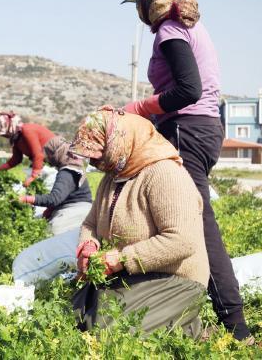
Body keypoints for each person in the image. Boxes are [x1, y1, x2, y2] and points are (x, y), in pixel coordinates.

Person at [120, 0, 252, 340]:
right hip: (204, 129)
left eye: (139, 3)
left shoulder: (170, 30)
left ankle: (235, 325)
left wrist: (141, 108)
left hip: (186, 129)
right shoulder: (191, 26)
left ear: (151, 0)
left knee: (197, 225)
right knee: (179, 216)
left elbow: (188, 91)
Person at [69, 107, 209, 338]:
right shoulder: (113, 177)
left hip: (175, 279)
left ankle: (189, 327)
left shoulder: (164, 173)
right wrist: (89, 246)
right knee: (75, 315)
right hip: (133, 274)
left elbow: (182, 240)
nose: (95, 161)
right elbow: (91, 223)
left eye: (99, 152)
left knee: (109, 333)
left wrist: (122, 258)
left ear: (118, 142)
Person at [17, 136, 92, 235]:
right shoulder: (74, 167)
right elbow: (63, 195)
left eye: (49, 155)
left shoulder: (67, 172)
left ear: (56, 154)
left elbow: (54, 199)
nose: (48, 160)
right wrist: (50, 210)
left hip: (76, 211)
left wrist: (26, 199)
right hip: (80, 209)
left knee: (51, 232)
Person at [0, 111, 55, 187]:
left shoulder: (27, 131)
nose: (4, 136)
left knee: (52, 192)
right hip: (46, 163)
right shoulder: (16, 139)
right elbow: (16, 160)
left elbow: (38, 154)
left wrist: (33, 176)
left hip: (57, 160)